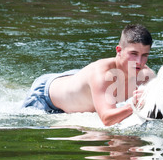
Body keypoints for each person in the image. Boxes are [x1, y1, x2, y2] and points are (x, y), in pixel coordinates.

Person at [22, 24, 155, 126]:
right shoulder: (102, 76)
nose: (139, 62)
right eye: (134, 54)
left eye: (144, 55)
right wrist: (133, 104)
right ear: (119, 51)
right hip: (46, 98)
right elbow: (107, 119)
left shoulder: (147, 76)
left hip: (78, 83)